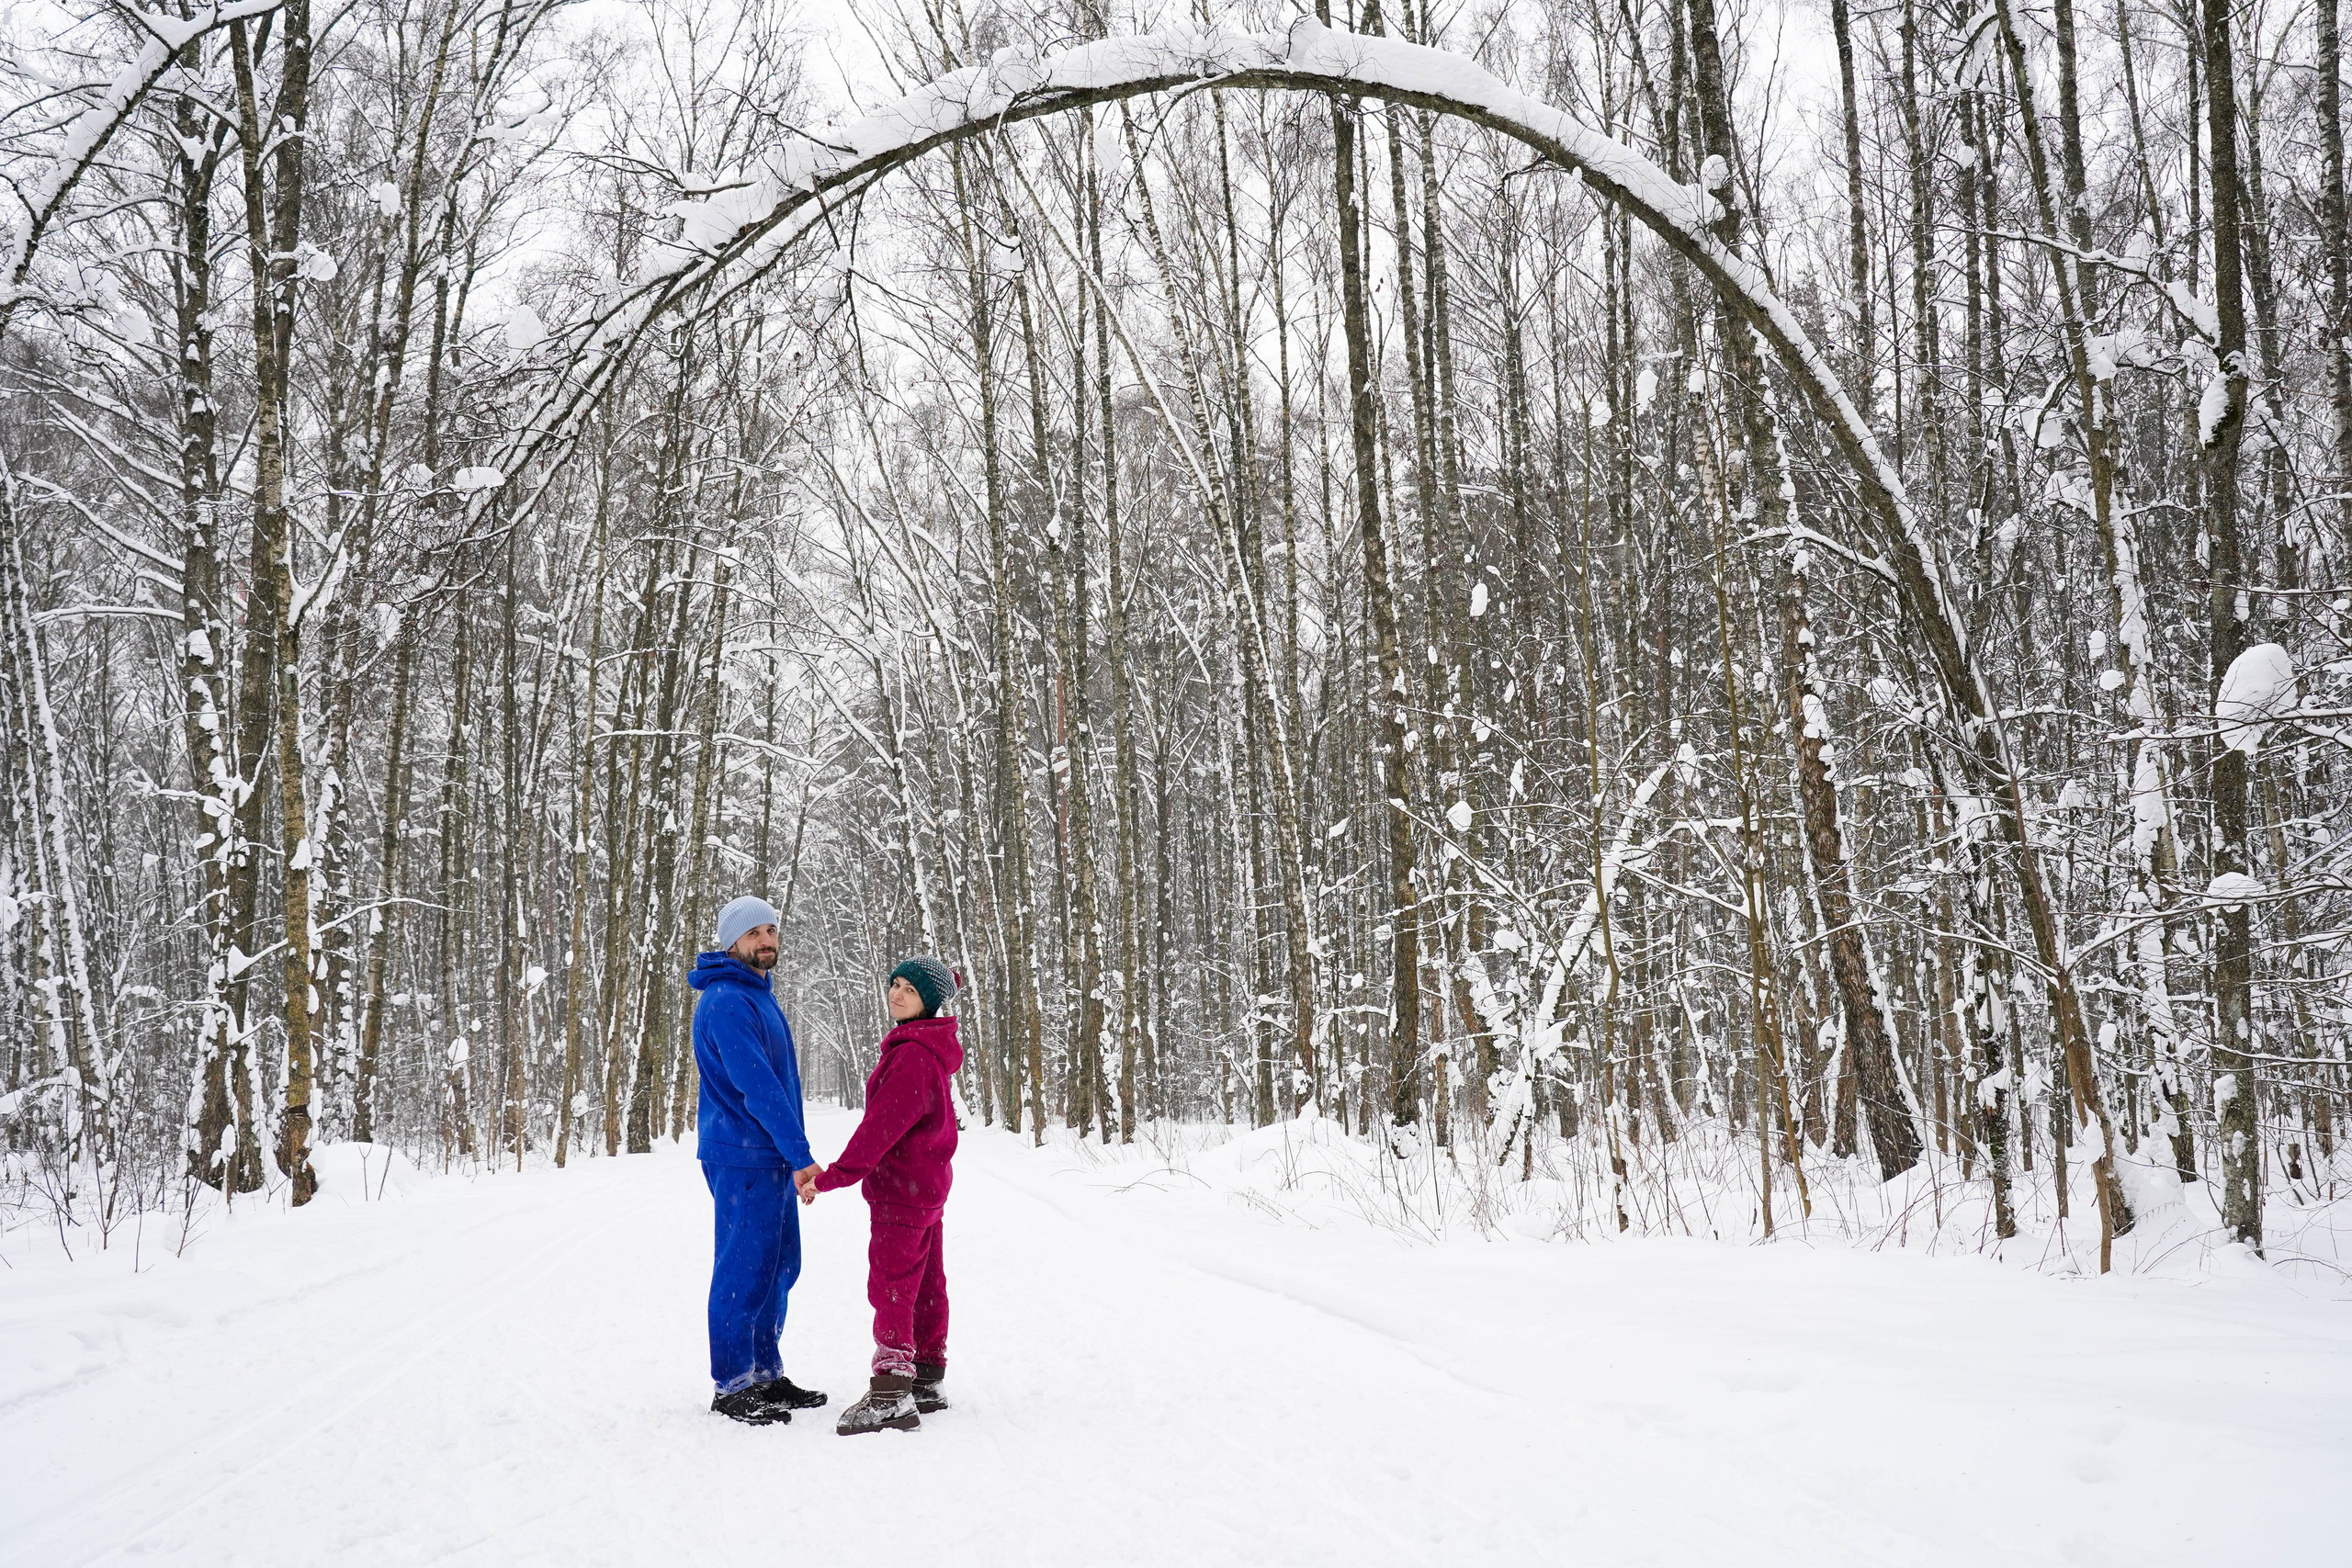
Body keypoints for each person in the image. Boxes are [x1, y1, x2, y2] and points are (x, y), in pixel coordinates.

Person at [801, 956, 965, 1436]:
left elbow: (879, 1131)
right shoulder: (927, 1048)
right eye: (894, 983)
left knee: (893, 1285)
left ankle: (892, 1391)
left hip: (902, 1191)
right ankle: (927, 1378)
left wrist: (831, 1177)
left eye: (909, 990)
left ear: (928, 1002)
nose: (896, 993)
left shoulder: (912, 1055)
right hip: (925, 1187)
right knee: (927, 1284)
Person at [689, 895, 829, 1426]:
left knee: (778, 1265)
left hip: (765, 1154)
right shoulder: (726, 999)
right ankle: (732, 1382)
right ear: (732, 942)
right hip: (743, 1155)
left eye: (771, 930)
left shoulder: (757, 996)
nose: (766, 940)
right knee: (744, 1266)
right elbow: (758, 1087)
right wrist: (799, 1155)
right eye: (754, 933)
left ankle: (765, 1373)